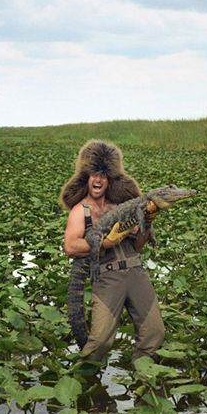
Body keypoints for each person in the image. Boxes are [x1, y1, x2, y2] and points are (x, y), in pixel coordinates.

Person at [61, 140, 165, 362]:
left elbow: (136, 246)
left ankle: (143, 380)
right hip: (108, 277)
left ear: (110, 179)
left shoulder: (121, 206)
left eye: (103, 175)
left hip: (136, 272)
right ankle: (83, 383)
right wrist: (106, 243)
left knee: (155, 333)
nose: (98, 180)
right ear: (87, 177)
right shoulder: (81, 211)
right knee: (100, 342)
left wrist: (147, 226)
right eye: (94, 174)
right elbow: (70, 246)